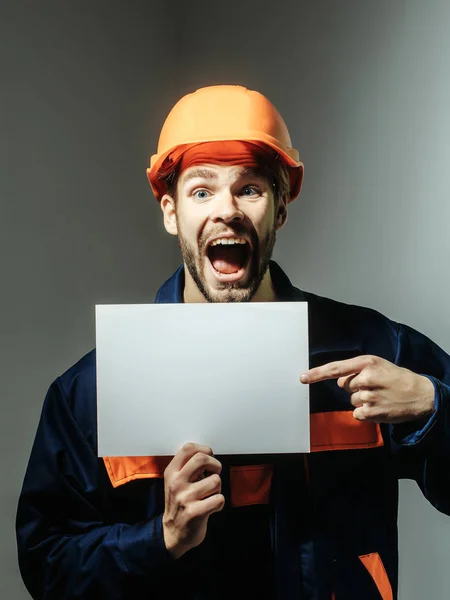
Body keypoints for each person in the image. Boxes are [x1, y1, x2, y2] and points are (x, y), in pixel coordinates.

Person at [16, 85, 450, 600]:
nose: (227, 210)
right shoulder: (89, 392)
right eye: (202, 191)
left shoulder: (374, 348)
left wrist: (433, 407)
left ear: (280, 208)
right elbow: (48, 565)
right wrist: (161, 538)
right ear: (171, 212)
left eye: (250, 189)